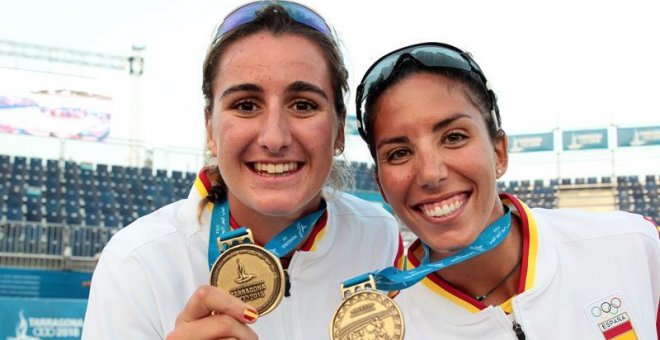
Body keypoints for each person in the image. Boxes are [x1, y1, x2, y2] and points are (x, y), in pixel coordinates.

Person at [82, 2, 401, 339]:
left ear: (338, 130)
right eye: (246, 105)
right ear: (210, 128)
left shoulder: (378, 235)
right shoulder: (137, 263)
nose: (275, 138)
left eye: (303, 105)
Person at [355, 42, 660, 339]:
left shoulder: (634, 247)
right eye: (399, 153)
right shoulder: (382, 327)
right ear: (381, 185)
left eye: (454, 137)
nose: (430, 174)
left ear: (499, 152)